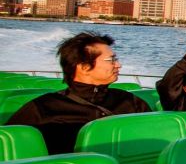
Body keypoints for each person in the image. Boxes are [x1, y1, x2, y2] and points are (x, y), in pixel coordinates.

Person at [5, 32, 152, 154]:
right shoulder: (43, 109)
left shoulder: (129, 101)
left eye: (116, 59)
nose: (118, 65)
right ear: (84, 67)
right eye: (111, 60)